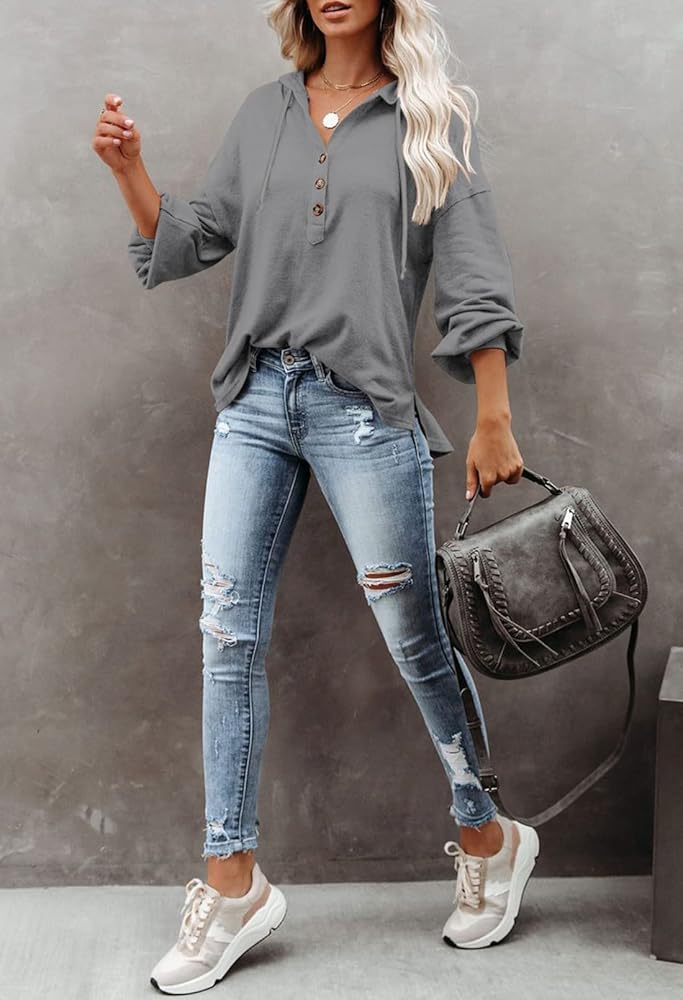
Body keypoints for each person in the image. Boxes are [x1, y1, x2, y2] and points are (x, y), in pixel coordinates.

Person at [92, 0, 540, 992]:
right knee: (225, 636)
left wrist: (492, 416)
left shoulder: (431, 115)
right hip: (256, 398)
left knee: (413, 636)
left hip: (363, 410)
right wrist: (129, 170)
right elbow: (195, 235)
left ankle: (487, 833)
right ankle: (232, 881)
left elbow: (473, 275)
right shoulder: (267, 112)